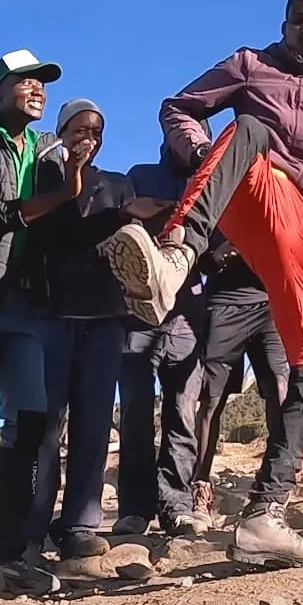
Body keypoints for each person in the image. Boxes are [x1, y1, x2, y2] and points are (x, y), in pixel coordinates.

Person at [97, 0, 303, 568]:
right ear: (284, 23)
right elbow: (178, 106)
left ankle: (264, 515)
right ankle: (179, 253)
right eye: (300, 18)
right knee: (249, 130)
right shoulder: (250, 65)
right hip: (246, 188)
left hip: (301, 223)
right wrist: (201, 151)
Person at [0, 49, 152, 599]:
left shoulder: (44, 152)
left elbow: (65, 233)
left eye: (42, 83)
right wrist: (62, 193)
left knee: (30, 421)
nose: (37, 89)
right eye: (24, 81)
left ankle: (2, 552)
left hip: (18, 302)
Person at [21, 99, 170, 564]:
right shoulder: (42, 182)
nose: (90, 137)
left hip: (105, 320)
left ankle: (80, 526)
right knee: (42, 428)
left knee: (92, 426)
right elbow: (60, 236)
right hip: (51, 316)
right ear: (61, 131)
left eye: (98, 131)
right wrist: (120, 213)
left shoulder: (119, 185)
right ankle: (29, 527)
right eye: (81, 128)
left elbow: (133, 249)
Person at [114, 125, 215, 537]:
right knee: (136, 413)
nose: (189, 144)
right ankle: (134, 509)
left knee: (183, 414)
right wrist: (175, 211)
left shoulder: (213, 181)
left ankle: (176, 504)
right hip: (138, 314)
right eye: (182, 136)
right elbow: (127, 217)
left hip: (189, 314)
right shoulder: (140, 174)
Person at [191, 240, 291, 509]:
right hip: (222, 305)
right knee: (211, 398)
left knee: (279, 384)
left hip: (269, 303)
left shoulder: (272, 200)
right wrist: (217, 255)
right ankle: (200, 487)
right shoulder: (214, 200)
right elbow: (195, 257)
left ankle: (276, 480)